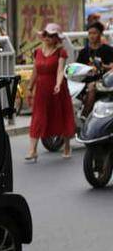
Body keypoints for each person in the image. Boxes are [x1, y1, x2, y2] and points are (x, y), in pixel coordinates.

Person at [26, 23, 75, 161]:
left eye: (52, 35)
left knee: (62, 116)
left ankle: (66, 146)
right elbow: (35, 71)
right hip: (41, 90)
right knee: (38, 118)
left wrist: (58, 84)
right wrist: (30, 87)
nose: (48, 37)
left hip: (57, 89)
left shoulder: (61, 52)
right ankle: (32, 150)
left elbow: (60, 70)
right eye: (46, 34)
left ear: (57, 38)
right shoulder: (38, 52)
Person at [76, 21, 113, 117]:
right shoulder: (83, 52)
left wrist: (102, 66)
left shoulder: (108, 50)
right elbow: (77, 68)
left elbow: (111, 67)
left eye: (94, 33)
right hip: (85, 81)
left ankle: (85, 115)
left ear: (100, 34)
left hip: (103, 81)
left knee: (92, 87)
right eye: (90, 33)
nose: (91, 36)